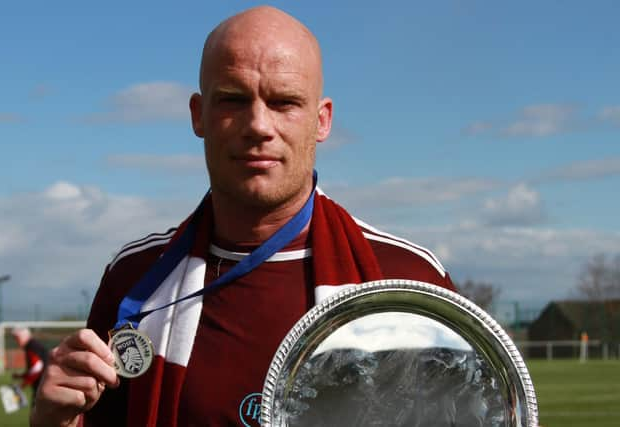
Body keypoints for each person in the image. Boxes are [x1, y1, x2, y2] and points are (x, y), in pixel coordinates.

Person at [31, 6, 455, 427]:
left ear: (322, 120)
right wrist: (55, 423)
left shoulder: (406, 280)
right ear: (199, 115)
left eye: (284, 102)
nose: (258, 125)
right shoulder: (137, 278)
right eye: (233, 100)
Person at [11, 327, 47, 404]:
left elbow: (37, 368)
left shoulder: (31, 346)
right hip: (43, 386)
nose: (16, 340)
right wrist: (22, 376)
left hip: (42, 387)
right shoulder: (33, 345)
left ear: (24, 336)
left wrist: (22, 385)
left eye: (17, 337)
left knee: (37, 414)